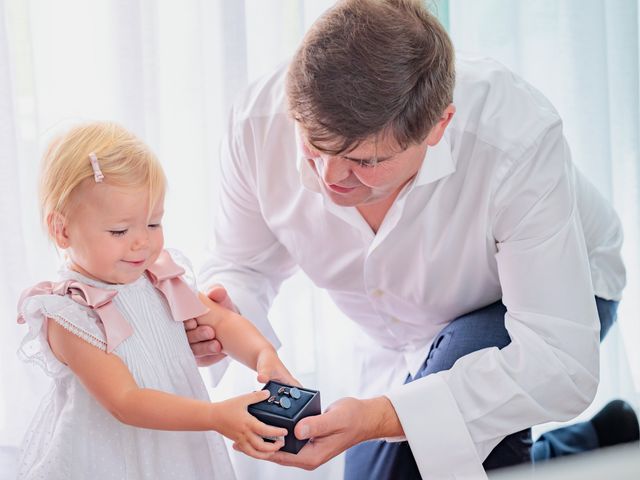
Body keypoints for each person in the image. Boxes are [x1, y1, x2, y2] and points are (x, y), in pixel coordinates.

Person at [188, 0, 635, 477]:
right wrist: (227, 325)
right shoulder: (258, 122)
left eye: (366, 161)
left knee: (421, 458)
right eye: (313, 147)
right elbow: (243, 264)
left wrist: (382, 416)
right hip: (399, 327)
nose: (329, 177)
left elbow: (560, 360)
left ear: (438, 126)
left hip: (547, 298)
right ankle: (588, 445)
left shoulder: (514, 138)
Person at [16, 121, 298, 480]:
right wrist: (215, 415)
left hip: (178, 445)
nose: (142, 243)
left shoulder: (157, 277)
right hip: (112, 457)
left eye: (153, 224)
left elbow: (222, 322)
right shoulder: (69, 313)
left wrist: (263, 354)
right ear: (62, 229)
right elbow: (126, 401)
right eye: (120, 231)